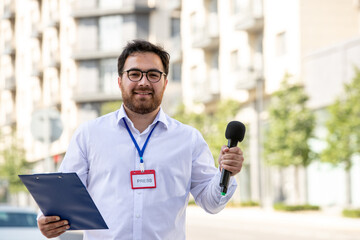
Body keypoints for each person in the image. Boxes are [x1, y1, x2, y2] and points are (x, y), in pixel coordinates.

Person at [37, 39, 244, 239]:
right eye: (134, 74)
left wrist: (226, 174)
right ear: (119, 81)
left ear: (165, 82)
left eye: (153, 74)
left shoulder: (188, 139)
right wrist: (46, 219)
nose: (144, 82)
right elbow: (62, 199)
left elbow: (212, 203)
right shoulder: (89, 135)